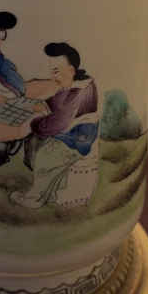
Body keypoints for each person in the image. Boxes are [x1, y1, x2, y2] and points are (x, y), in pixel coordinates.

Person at [11, 44, 99, 209]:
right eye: (52, 71)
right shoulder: (73, 84)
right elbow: (58, 102)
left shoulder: (79, 91)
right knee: (36, 145)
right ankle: (49, 192)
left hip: (76, 140)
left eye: (56, 71)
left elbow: (57, 123)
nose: (53, 76)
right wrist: (44, 105)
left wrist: (34, 123)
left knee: (46, 158)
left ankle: (34, 198)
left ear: (71, 70)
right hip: (71, 134)